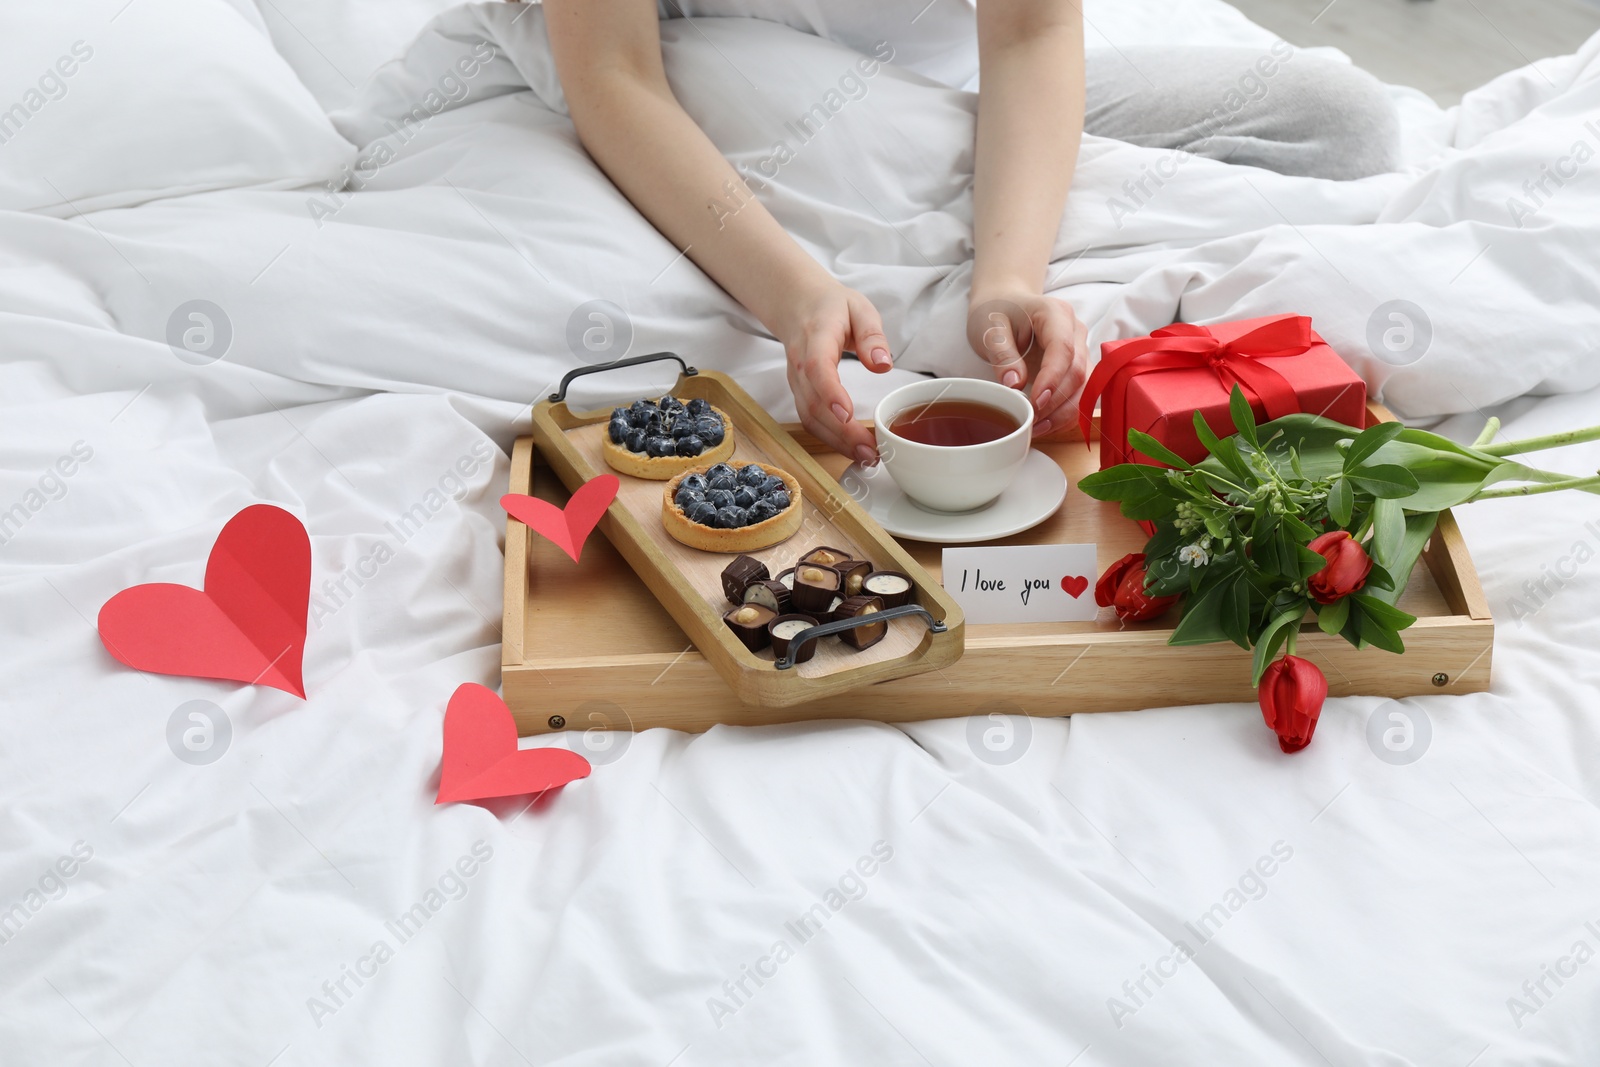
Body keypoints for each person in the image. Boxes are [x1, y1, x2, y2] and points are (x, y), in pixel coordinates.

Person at [542, 0, 1399, 465]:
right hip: (725, 81)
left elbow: (1030, 31)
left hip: (949, 101)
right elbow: (614, 72)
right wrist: (794, 294)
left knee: (1341, 122)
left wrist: (1008, 280)